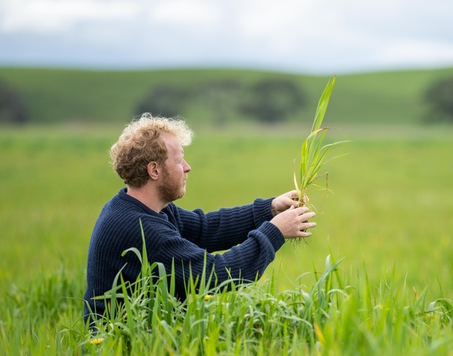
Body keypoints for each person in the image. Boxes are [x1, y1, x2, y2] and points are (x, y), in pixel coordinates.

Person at [83, 113, 315, 326]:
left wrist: (270, 209)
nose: (187, 167)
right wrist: (274, 232)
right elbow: (218, 275)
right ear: (154, 170)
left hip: (143, 337)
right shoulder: (142, 229)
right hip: (119, 348)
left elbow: (205, 229)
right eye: (178, 161)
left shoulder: (142, 208)